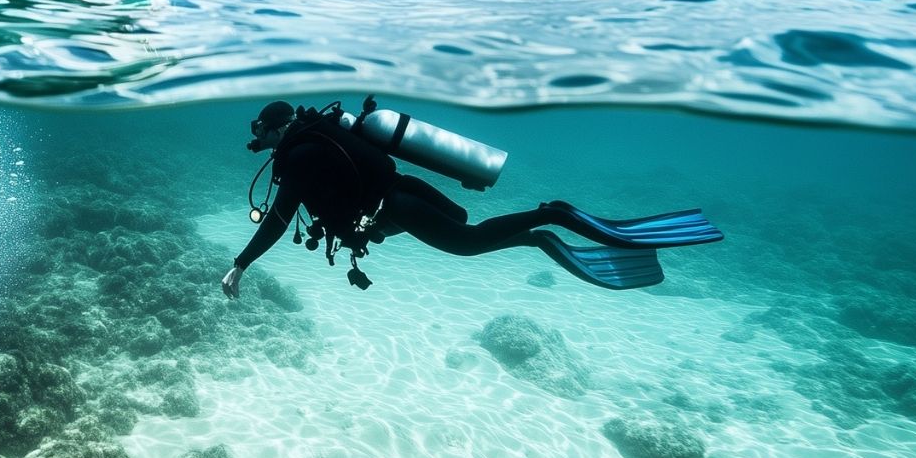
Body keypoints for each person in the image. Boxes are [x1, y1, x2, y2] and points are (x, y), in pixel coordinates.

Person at [221, 100, 722, 297]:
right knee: (465, 231)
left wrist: (241, 264)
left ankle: (551, 219)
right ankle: (540, 231)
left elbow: (279, 220)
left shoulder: (301, 154)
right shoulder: (325, 133)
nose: (256, 140)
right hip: (403, 195)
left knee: (468, 243)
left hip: (398, 206)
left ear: (273, 127)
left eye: (258, 130)